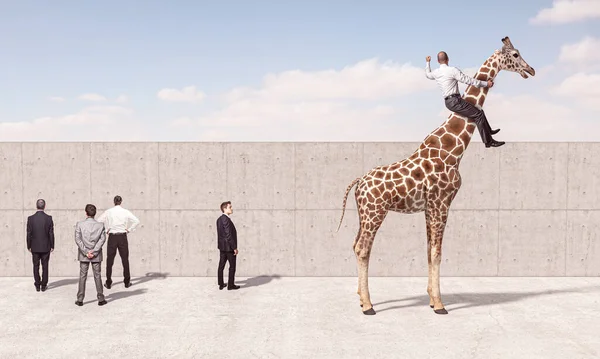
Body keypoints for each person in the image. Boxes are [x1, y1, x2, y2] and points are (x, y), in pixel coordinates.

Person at [425, 51, 505, 148]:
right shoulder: (452, 70)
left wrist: (428, 62)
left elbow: (428, 75)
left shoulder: (436, 72)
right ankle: (489, 142)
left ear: (438, 61)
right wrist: (485, 84)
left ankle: (489, 131)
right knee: (478, 115)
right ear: (448, 59)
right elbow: (468, 80)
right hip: (455, 101)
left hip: (448, 102)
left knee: (479, 110)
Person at [96, 195, 140, 289]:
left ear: (114, 202)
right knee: (125, 260)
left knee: (110, 260)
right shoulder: (125, 212)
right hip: (122, 237)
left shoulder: (108, 211)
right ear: (121, 202)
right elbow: (136, 221)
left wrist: (106, 229)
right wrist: (129, 229)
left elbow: (98, 221)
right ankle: (127, 282)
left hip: (112, 237)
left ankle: (108, 282)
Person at [74, 204, 107, 306]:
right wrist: (94, 251)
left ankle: (80, 300)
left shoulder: (79, 224)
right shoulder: (101, 225)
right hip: (96, 255)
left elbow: (78, 239)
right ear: (95, 213)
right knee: (97, 276)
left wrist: (86, 252)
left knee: (82, 276)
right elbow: (102, 240)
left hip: (84, 255)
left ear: (86, 213)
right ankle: (101, 299)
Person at [26, 199, 55, 292]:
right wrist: (52, 245)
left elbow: (28, 233)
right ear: (44, 206)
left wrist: (28, 246)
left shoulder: (30, 218)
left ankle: (37, 285)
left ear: (36, 206)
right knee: (45, 266)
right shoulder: (49, 218)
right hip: (46, 246)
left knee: (35, 266)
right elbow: (51, 233)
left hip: (34, 246)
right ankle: (44, 285)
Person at [216, 201, 239, 290]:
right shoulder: (226, 219)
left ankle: (221, 284)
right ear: (225, 209)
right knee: (232, 267)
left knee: (221, 266)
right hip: (229, 248)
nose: (232, 208)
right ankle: (230, 285)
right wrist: (234, 247)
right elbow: (228, 234)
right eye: (230, 207)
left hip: (222, 247)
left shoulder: (219, 219)